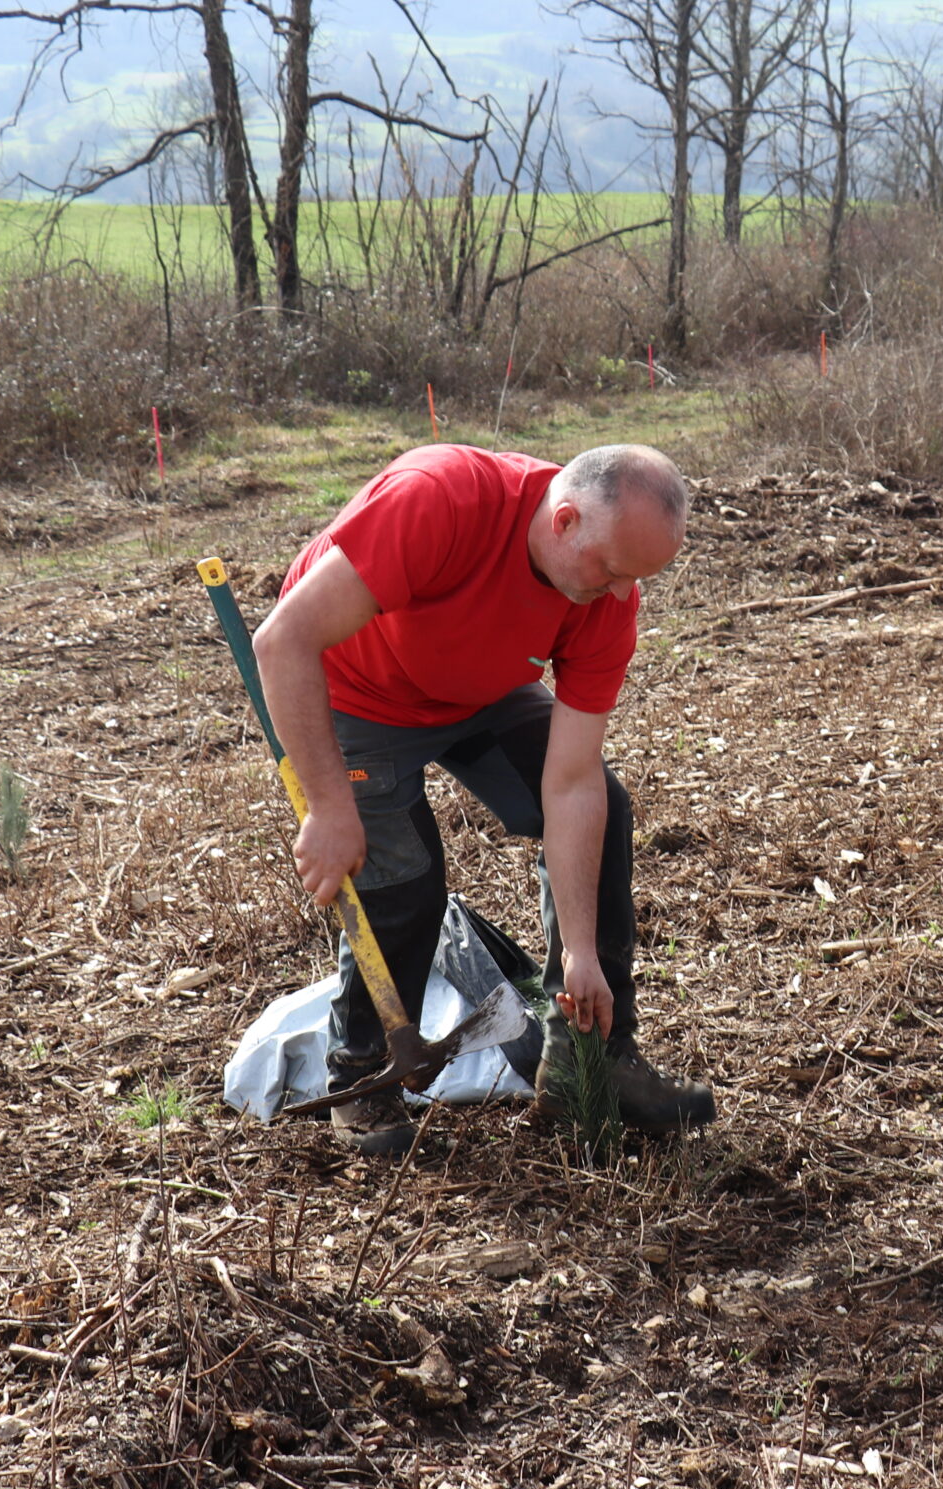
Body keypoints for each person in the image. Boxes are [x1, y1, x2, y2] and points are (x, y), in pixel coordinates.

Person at [252, 441, 717, 1157]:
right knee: (405, 878)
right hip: (354, 692)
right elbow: (283, 641)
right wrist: (329, 807)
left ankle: (589, 1059)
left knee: (607, 808)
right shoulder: (439, 500)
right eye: (612, 569)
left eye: (636, 578)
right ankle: (365, 1075)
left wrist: (582, 952)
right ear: (565, 521)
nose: (621, 593)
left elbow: (572, 782)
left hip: (478, 691)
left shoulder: (606, 595)